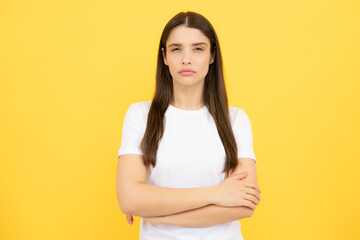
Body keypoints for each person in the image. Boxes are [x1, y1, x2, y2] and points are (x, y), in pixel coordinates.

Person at [116, 11, 261, 240]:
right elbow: (129, 198)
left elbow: (244, 205)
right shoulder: (140, 115)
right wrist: (217, 194)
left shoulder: (235, 120)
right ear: (164, 57)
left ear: (212, 55)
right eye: (176, 49)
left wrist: (160, 215)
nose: (186, 59)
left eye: (198, 48)